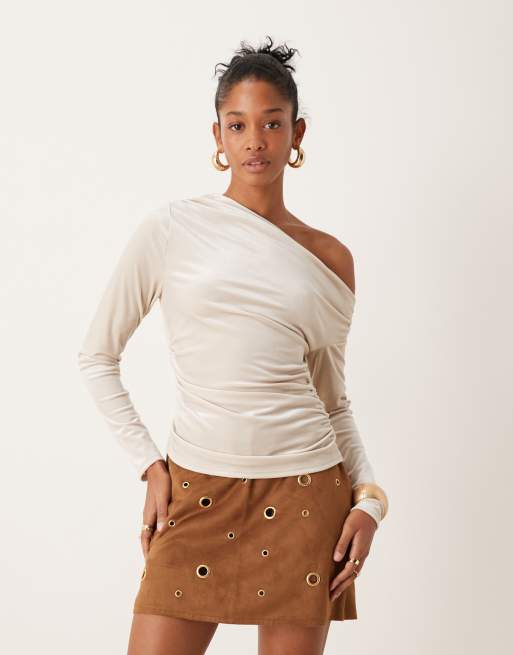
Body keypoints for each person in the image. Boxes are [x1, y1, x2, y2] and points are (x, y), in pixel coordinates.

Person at [78, 35, 388, 655]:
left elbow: (333, 401)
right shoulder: (171, 229)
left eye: (272, 123)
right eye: (238, 124)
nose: (255, 141)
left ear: (297, 133)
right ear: (217, 136)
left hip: (307, 496)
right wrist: (149, 464)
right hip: (196, 491)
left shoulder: (330, 259)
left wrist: (370, 500)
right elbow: (97, 357)